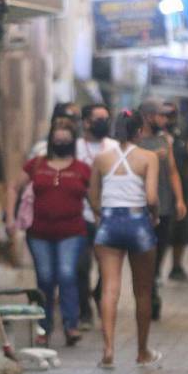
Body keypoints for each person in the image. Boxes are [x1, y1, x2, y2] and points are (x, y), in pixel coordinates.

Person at [5, 121, 91, 347]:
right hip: (40, 233)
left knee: (66, 274)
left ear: (73, 142)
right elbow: (14, 186)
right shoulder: (36, 164)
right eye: (57, 138)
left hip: (72, 231)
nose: (61, 142)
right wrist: (10, 217)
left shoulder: (82, 169)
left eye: (66, 139)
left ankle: (71, 324)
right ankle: (44, 327)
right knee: (44, 278)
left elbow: (95, 198)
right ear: (51, 141)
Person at [89, 109, 163, 369]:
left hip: (109, 223)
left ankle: (108, 349)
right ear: (139, 131)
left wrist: (102, 215)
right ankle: (142, 351)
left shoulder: (101, 159)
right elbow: (152, 197)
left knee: (110, 288)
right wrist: (154, 217)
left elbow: (93, 197)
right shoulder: (148, 157)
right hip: (138, 222)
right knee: (142, 291)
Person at [136, 99, 187, 321]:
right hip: (139, 207)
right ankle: (146, 294)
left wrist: (179, 200)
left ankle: (152, 288)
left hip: (164, 206)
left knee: (159, 250)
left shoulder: (164, 140)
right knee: (143, 253)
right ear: (148, 117)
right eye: (160, 115)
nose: (164, 120)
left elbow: (173, 171)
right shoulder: (135, 142)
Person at [75, 103, 119, 330]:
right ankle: (84, 311)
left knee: (107, 266)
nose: (104, 122)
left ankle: (100, 294)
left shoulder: (113, 147)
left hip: (107, 215)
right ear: (86, 122)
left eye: (106, 117)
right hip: (80, 215)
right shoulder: (75, 148)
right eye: (98, 118)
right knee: (81, 266)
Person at [162, 101, 188, 281]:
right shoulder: (154, 138)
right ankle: (156, 270)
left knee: (181, 232)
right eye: (165, 114)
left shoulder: (181, 135)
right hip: (160, 192)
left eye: (172, 115)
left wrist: (187, 193)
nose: (168, 118)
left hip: (181, 190)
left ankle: (176, 266)